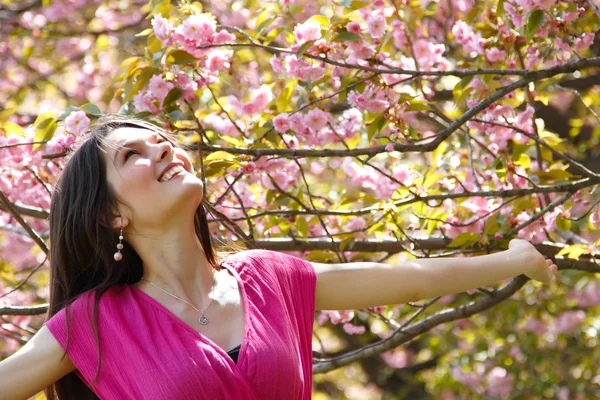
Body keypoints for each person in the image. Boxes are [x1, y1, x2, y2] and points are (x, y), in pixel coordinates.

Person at [0, 114, 558, 400]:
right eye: (133, 154)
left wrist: (512, 260)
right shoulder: (95, 324)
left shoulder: (267, 279)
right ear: (110, 216)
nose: (164, 148)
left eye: (163, 139)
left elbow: (403, 280)